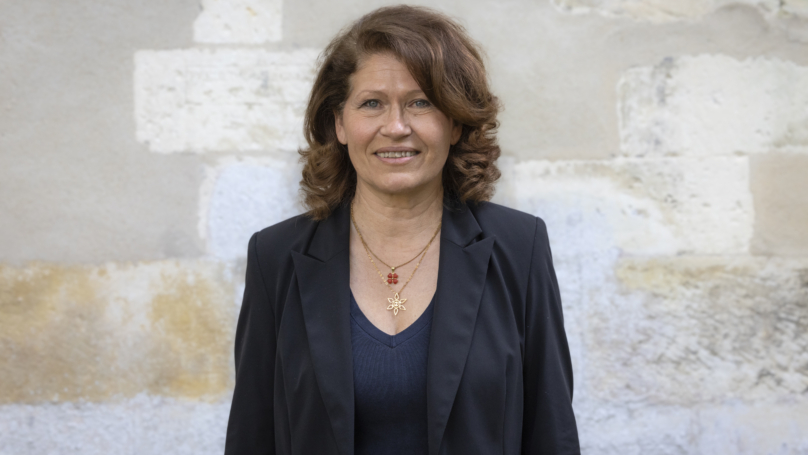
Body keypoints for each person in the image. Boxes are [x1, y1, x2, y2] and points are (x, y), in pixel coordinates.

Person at [224, 5, 579, 455]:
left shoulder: (519, 247)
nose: (395, 127)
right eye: (372, 103)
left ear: (454, 122)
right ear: (339, 123)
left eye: (421, 102)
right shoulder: (274, 256)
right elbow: (252, 436)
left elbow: (551, 432)